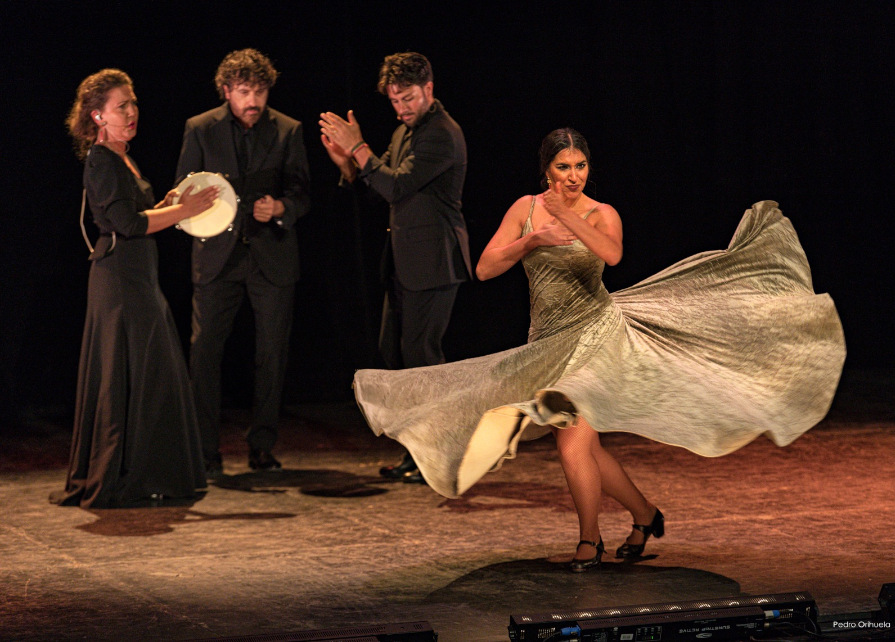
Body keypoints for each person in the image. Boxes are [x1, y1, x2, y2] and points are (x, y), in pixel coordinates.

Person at [352, 128, 846, 571]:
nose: (573, 175)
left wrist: (569, 215)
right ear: (546, 169)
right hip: (548, 343)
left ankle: (590, 540)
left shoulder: (601, 212)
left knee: (570, 440)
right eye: (563, 167)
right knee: (587, 446)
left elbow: (611, 254)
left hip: (598, 338)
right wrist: (533, 239)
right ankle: (646, 515)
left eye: (581, 166)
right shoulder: (524, 210)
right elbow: (483, 269)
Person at [51, 69, 216, 508]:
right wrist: (181, 211)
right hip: (121, 279)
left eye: (133, 103)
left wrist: (165, 206)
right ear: (97, 116)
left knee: (150, 374)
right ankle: (132, 477)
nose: (131, 112)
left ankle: (149, 474)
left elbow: (138, 214)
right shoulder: (102, 158)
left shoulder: (124, 157)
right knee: (138, 373)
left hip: (138, 275)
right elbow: (126, 224)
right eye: (121, 106)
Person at [319, 51, 472, 484]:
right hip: (406, 264)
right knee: (398, 359)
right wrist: (348, 164)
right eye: (395, 101)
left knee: (424, 362)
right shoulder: (407, 131)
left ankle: (439, 455)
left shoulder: (441, 133)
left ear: (429, 88)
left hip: (435, 263)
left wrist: (360, 149)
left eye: (408, 98)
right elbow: (379, 186)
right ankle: (417, 452)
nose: (402, 108)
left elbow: (397, 184)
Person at [175, 49, 311, 478]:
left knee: (272, 354)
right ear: (227, 91)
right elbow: (183, 192)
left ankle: (262, 447)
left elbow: (303, 194)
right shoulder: (200, 129)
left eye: (261, 90)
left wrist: (282, 207)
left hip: (271, 258)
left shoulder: (288, 130)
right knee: (204, 355)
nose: (254, 100)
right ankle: (204, 452)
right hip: (217, 259)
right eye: (245, 91)